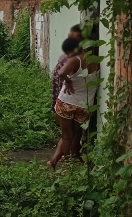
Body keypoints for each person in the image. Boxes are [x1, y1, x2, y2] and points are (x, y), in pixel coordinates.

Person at [48, 37, 99, 170]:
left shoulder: (75, 60)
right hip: (84, 105)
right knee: (77, 134)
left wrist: (69, 82)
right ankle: (65, 159)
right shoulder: (96, 62)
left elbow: (61, 73)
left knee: (66, 135)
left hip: (67, 102)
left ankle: (68, 165)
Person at [48, 25, 83, 169]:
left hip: (66, 101)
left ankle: (60, 160)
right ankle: (69, 159)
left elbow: (59, 78)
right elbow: (58, 79)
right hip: (67, 101)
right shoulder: (71, 59)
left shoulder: (72, 58)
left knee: (69, 134)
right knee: (71, 134)